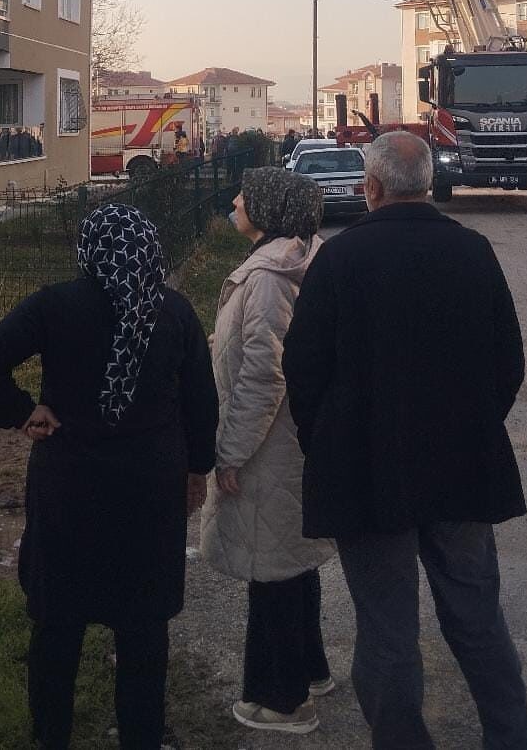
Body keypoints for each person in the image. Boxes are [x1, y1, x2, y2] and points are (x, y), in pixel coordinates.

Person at [283, 131, 527, 750]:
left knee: (387, 627)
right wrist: (475, 423)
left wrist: (328, 443)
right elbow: (508, 360)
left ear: (370, 187)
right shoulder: (472, 250)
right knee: (478, 616)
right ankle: (513, 737)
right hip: (463, 468)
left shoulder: (340, 258)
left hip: (368, 470)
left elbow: (303, 368)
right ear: (428, 183)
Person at [0, 204, 218, 750]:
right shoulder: (173, 311)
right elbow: (201, 399)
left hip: (69, 488)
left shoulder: (53, 306)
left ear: (89, 250)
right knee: (143, 629)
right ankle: (141, 737)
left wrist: (21, 412)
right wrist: (197, 469)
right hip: (149, 491)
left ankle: (50, 735)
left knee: (58, 624)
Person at [201, 167, 335, 734]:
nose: (235, 201)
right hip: (285, 442)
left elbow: (264, 373)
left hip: (267, 446)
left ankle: (281, 700)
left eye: (245, 195)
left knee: (271, 567)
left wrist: (230, 452)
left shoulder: (270, 277)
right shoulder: (287, 263)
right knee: (291, 558)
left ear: (268, 209)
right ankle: (311, 669)